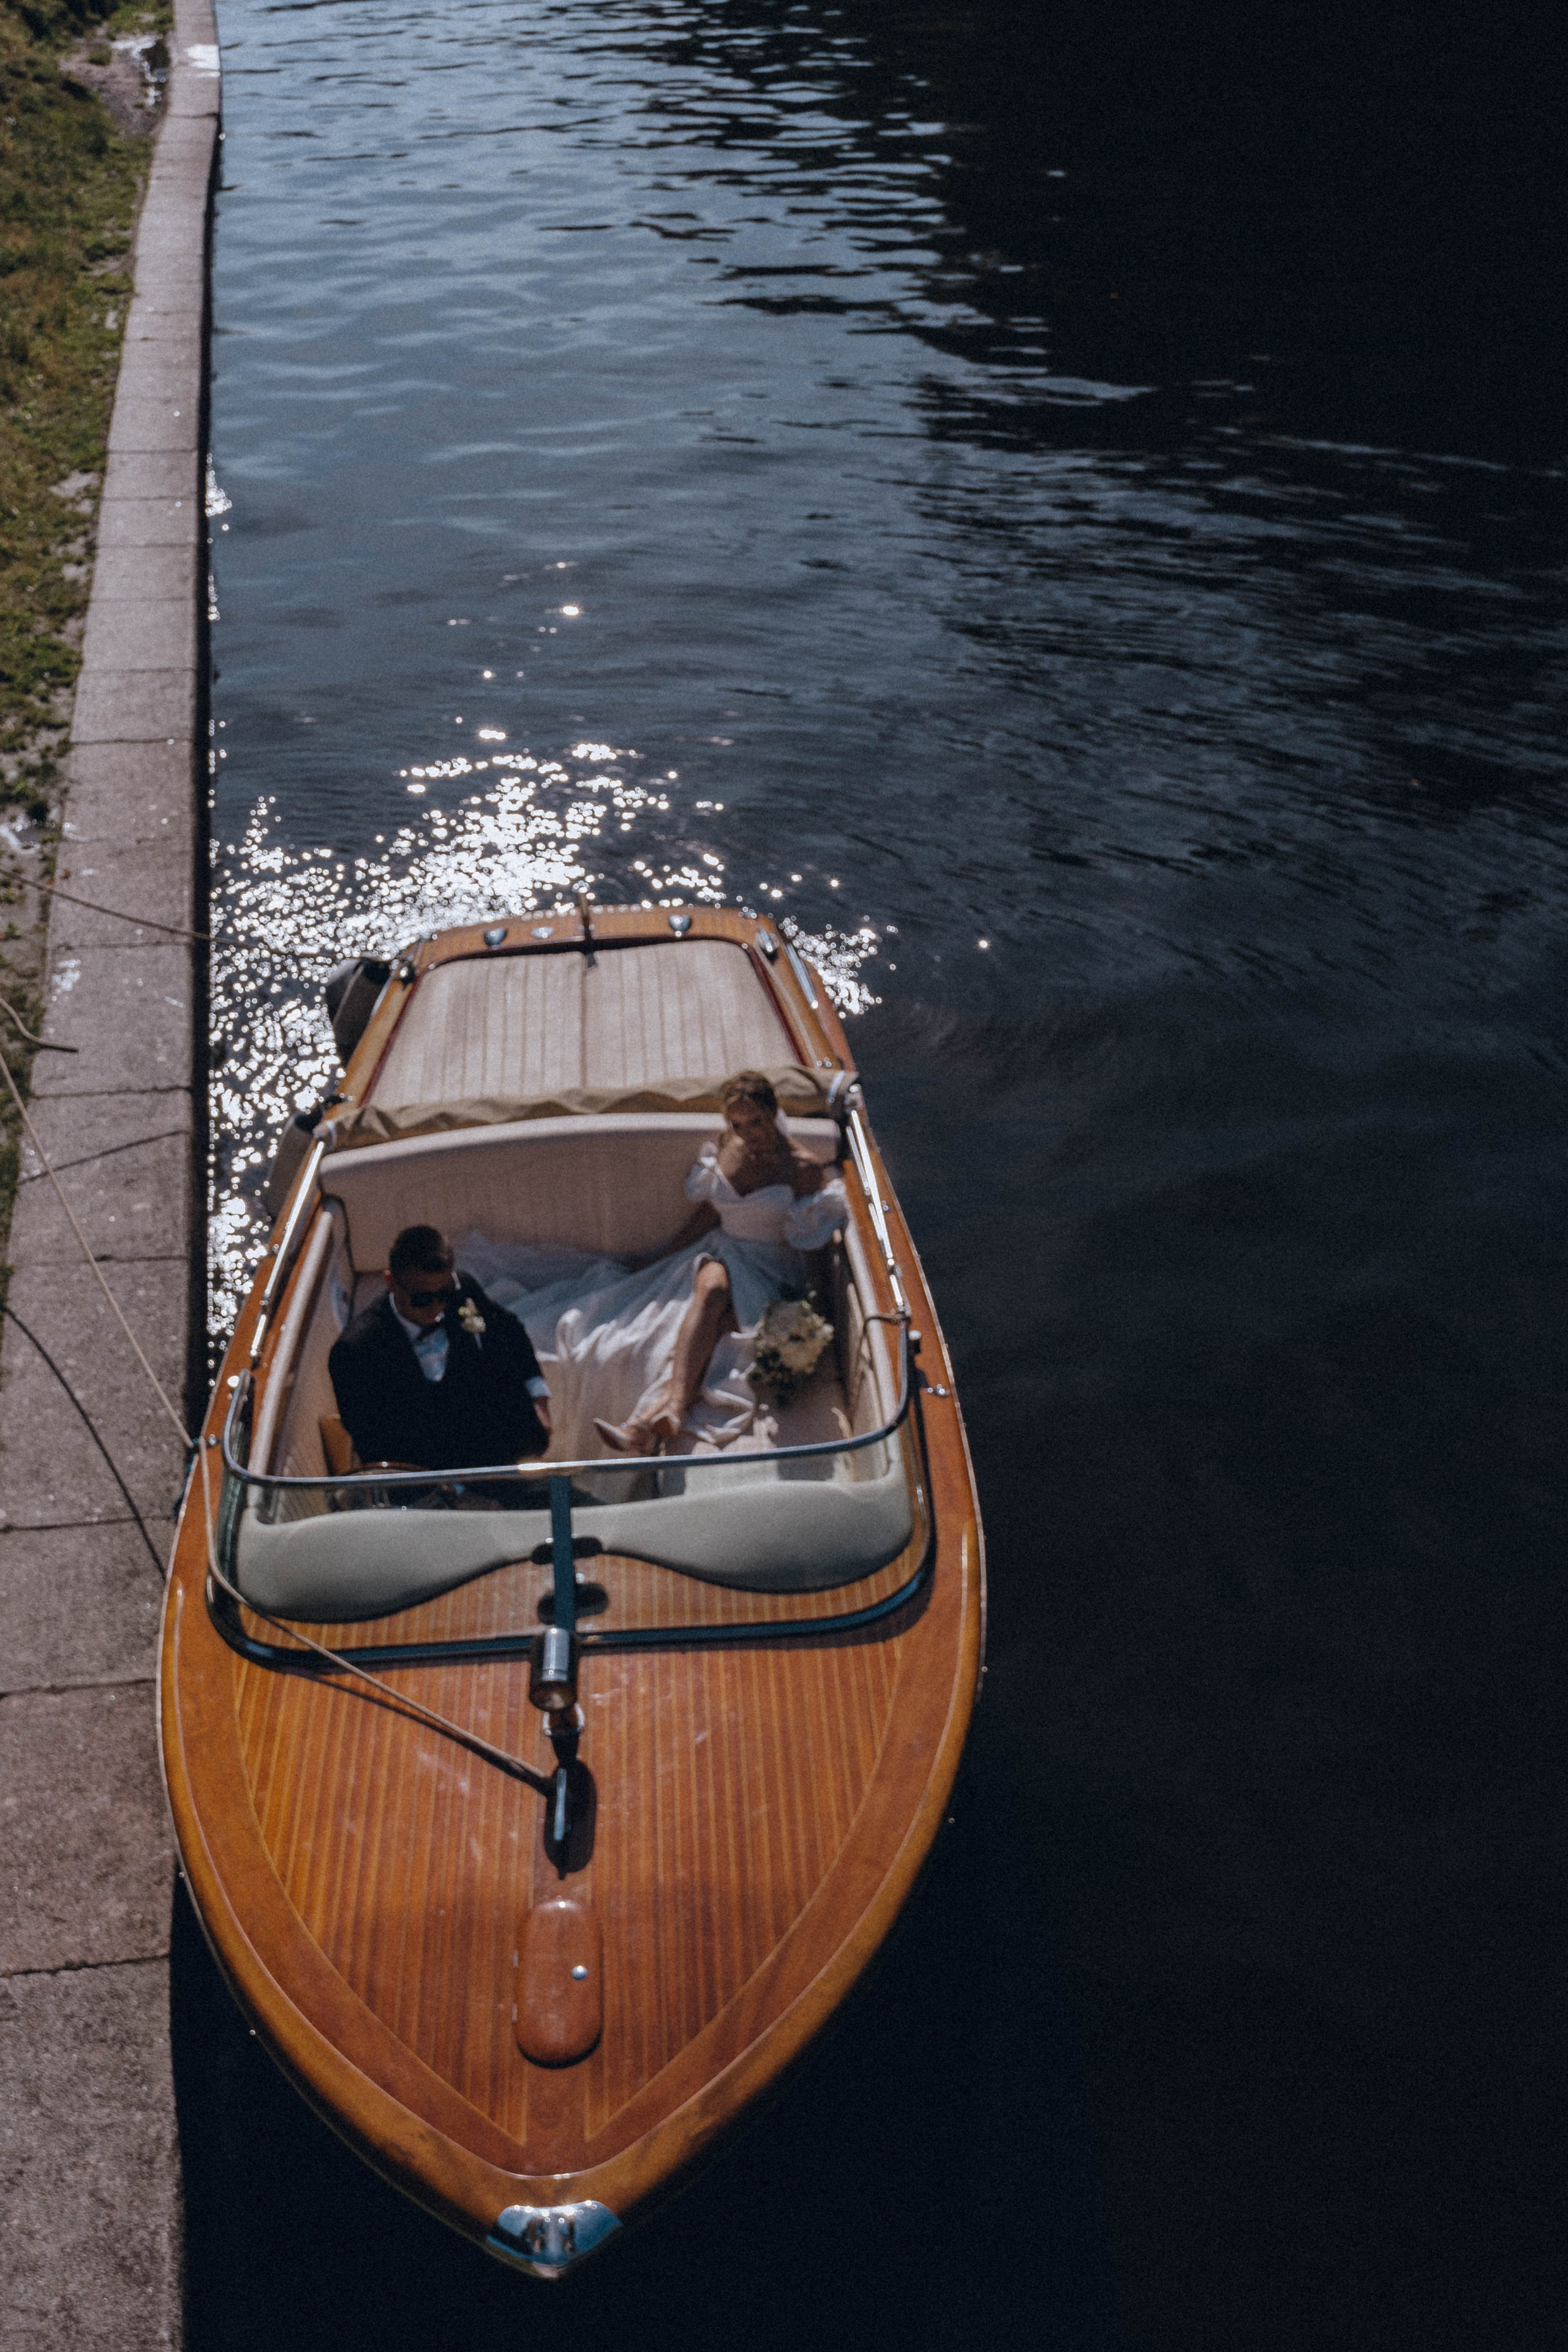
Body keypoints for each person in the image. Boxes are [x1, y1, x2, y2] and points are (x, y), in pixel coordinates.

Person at [590, 1069, 846, 1455]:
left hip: (772, 1267)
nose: (747, 1134)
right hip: (725, 1250)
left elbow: (813, 1242)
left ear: (773, 1111)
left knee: (717, 1335)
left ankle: (644, 1425)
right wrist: (661, 1255)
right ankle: (669, 1411)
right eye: (738, 1124)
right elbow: (710, 1215)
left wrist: (817, 1304)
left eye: (756, 1122)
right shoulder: (728, 1146)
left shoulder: (803, 1168)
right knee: (710, 1291)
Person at [328, 1223, 551, 1489]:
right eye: (422, 1299)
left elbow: (510, 1329)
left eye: (444, 1294)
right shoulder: (355, 1353)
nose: (436, 1308)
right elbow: (379, 1449)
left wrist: (538, 1396)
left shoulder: (463, 1290)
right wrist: (455, 1496)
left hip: (501, 1462)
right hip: (426, 1489)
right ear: (390, 1282)